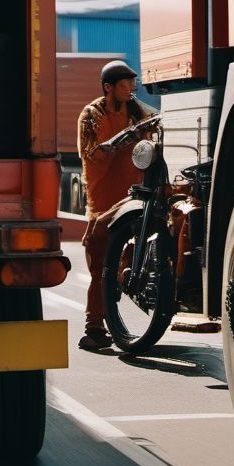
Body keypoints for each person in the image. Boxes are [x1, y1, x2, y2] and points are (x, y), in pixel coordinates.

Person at [76, 60, 154, 351]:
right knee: (100, 267)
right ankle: (94, 327)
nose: (131, 89)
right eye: (125, 85)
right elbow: (93, 155)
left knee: (125, 262)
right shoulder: (92, 114)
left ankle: (110, 320)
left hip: (131, 197)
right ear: (108, 87)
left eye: (133, 84)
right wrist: (126, 139)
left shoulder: (136, 111)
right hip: (103, 201)